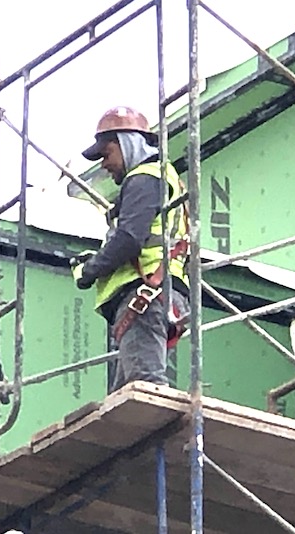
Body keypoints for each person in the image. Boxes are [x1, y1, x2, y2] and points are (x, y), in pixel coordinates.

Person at [71, 106, 191, 393]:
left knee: (146, 392)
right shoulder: (161, 178)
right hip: (158, 294)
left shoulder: (145, 177)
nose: (104, 164)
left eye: (106, 153)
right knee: (126, 398)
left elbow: (129, 240)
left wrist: (89, 270)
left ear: (128, 143)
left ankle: (163, 436)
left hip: (147, 293)